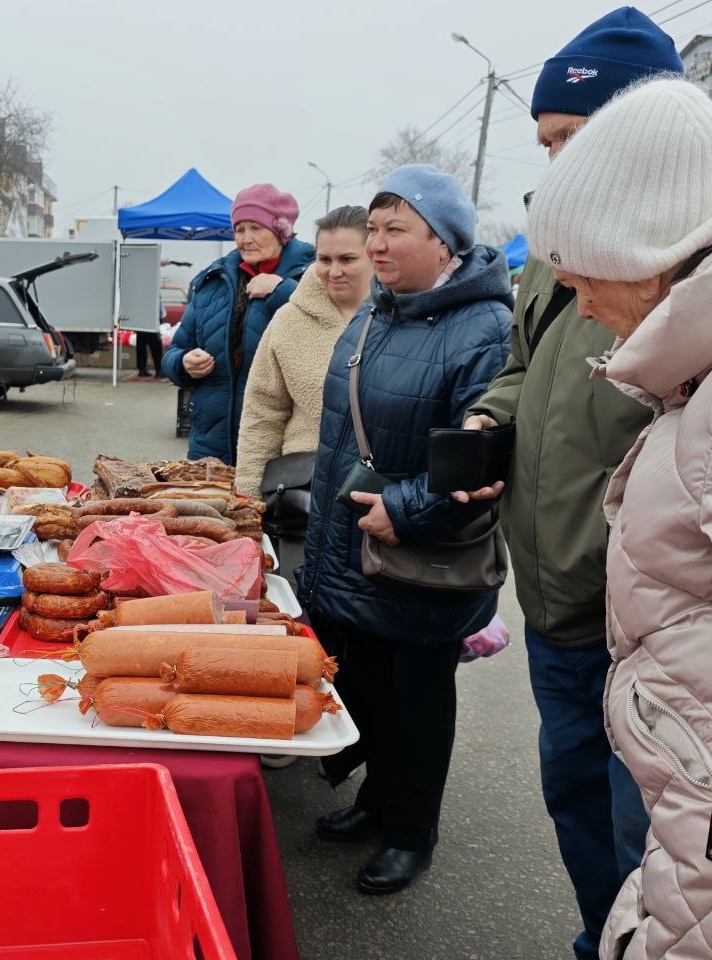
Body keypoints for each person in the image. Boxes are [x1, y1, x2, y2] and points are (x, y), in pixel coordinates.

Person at [458, 11, 712, 959]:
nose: (581, 305)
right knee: (585, 807)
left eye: (572, 139)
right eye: (547, 143)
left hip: (661, 629)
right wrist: (491, 425)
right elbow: (527, 367)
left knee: (668, 841)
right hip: (567, 593)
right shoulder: (590, 250)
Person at [298, 165, 511, 894]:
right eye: (374, 229)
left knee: (418, 706)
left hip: (418, 556)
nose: (377, 245)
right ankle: (376, 801)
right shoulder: (377, 311)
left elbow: (485, 459)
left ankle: (412, 832)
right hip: (353, 546)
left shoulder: (484, 329)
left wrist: (407, 511)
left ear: (445, 242)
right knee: (368, 691)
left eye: (397, 229)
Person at [161, 183, 313, 464]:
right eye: (240, 229)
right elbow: (175, 351)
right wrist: (183, 363)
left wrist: (281, 291)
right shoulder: (214, 281)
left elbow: (327, 332)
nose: (246, 239)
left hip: (279, 447)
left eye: (256, 228)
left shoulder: (313, 275)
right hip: (210, 445)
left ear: (280, 230)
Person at [234, 205, 373, 497]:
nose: (334, 271)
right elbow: (262, 414)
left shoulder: (402, 319)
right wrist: (249, 498)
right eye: (324, 259)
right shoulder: (288, 320)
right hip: (303, 489)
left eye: (347, 259)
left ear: (374, 255)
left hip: (381, 492)